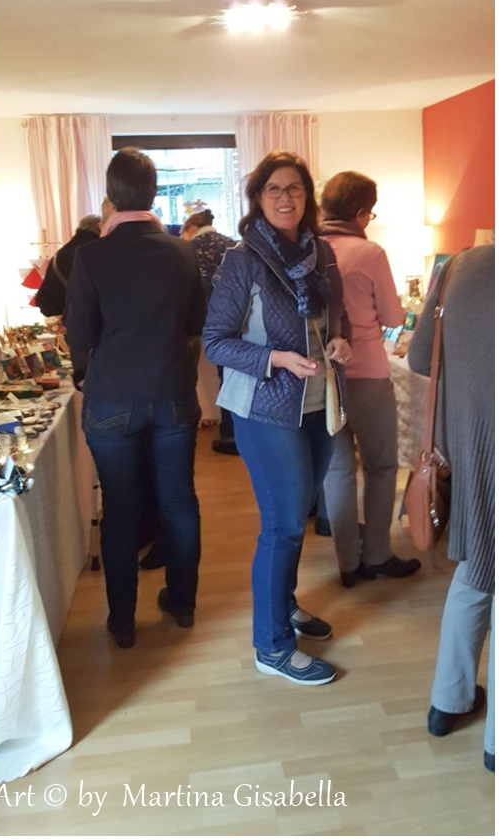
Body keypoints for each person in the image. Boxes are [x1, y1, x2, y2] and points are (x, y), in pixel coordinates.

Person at [203, 151, 352, 686]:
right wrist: (276, 359)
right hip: (265, 408)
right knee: (284, 523)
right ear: (258, 198)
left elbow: (337, 319)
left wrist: (340, 342)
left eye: (295, 188)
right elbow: (215, 342)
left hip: (317, 403)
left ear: (307, 197)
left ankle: (284, 605)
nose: (286, 198)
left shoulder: (322, 253)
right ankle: (271, 646)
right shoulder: (243, 260)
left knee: (296, 518)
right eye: (274, 189)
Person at [65, 147, 206, 649]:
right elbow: (197, 324)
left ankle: (122, 620)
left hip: (112, 397)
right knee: (178, 501)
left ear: (110, 194)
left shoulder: (91, 256)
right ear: (153, 192)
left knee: (121, 509)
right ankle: (183, 603)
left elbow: (80, 334)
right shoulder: (183, 252)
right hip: (172, 391)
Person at [408, 245, 495, 772]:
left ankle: (448, 701)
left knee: (478, 567)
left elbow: (420, 359)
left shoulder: (460, 265)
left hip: (467, 446)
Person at [319, 172, 419, 587]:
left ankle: (347, 563)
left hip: (326, 377)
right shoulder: (369, 252)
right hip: (368, 374)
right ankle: (377, 553)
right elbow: (394, 318)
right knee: (380, 467)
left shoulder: (310, 248)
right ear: (360, 212)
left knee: (338, 471)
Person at [181, 208, 238, 455]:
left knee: (184, 375)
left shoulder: (186, 249)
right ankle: (231, 434)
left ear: (191, 229)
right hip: (231, 320)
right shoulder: (233, 245)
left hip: (194, 321)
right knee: (230, 377)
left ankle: (184, 431)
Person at [34, 214, 101, 316]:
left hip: (63, 316)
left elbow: (43, 297)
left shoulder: (60, 254)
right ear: (100, 228)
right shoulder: (95, 251)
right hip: (88, 316)